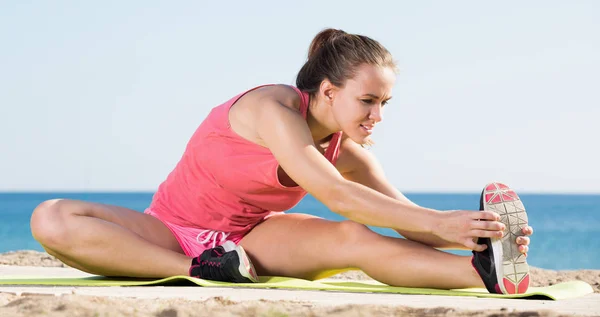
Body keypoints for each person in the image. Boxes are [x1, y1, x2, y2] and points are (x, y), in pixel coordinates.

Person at [30, 28, 533, 294]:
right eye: (368, 101)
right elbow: (335, 194)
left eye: (385, 104)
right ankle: (198, 270)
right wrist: (441, 220)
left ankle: (485, 276)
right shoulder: (270, 108)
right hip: (172, 229)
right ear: (329, 91)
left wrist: (472, 232)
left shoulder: (346, 151)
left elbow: (402, 218)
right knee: (50, 217)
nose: (378, 115)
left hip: (250, 240)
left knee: (352, 238)